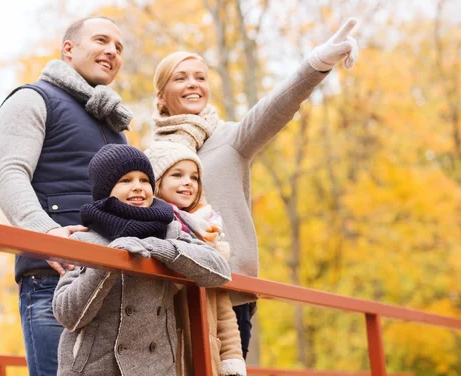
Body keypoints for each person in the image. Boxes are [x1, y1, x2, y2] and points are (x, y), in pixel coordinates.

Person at [150, 19, 360, 358]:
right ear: (161, 96)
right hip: (168, 294)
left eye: (200, 77)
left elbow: (277, 106)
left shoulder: (231, 139)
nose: (193, 84)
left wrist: (318, 61)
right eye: (181, 77)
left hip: (229, 293)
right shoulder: (149, 157)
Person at [0, 16, 131, 375]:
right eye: (101, 40)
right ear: (68, 49)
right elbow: (9, 174)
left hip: (112, 281)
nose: (112, 51)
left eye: (119, 47)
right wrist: (47, 232)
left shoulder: (114, 127)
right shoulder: (32, 99)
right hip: (54, 280)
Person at [52, 144, 232, 376]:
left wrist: (159, 248)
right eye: (125, 180)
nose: (138, 187)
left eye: (144, 180)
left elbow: (219, 270)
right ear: (105, 189)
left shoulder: (170, 231)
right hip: (95, 368)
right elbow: (68, 315)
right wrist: (110, 261)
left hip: (157, 367)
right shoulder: (83, 239)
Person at [146, 141, 247, 376]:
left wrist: (231, 358)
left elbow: (222, 306)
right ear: (157, 182)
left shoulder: (209, 234)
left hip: (204, 350)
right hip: (165, 351)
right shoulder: (150, 229)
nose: (188, 182)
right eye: (177, 174)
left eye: (194, 177)